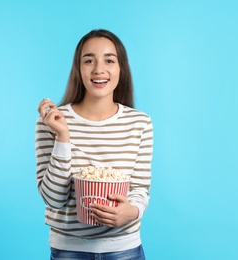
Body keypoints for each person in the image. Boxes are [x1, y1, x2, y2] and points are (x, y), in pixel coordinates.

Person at [35, 29, 153, 260]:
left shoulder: (140, 122)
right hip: (68, 250)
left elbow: (140, 188)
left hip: (124, 249)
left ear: (121, 68)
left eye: (109, 60)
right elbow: (53, 199)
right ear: (78, 69)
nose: (99, 69)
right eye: (89, 60)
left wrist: (132, 212)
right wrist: (63, 137)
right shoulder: (52, 120)